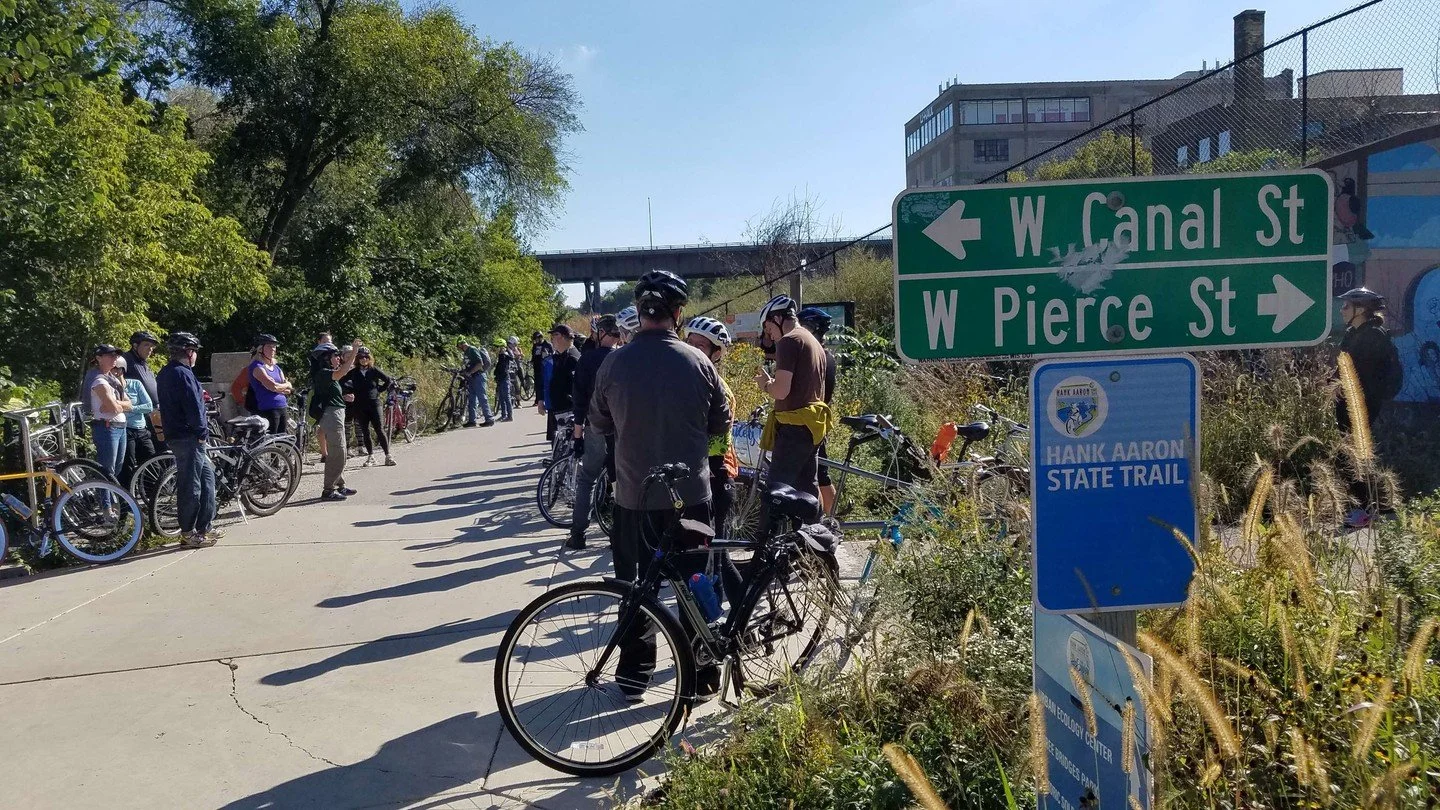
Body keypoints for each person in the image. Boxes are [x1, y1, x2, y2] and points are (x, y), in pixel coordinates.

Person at [589, 270, 731, 700]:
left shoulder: (613, 363)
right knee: (696, 582)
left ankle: (635, 674)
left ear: (639, 313)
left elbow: (598, 422)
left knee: (634, 587)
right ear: (678, 313)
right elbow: (720, 424)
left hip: (633, 496)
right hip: (691, 497)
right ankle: (702, 675)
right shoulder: (699, 361)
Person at [683, 316, 747, 607]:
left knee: (717, 559)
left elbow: (715, 444)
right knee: (712, 558)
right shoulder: (693, 379)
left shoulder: (718, 388)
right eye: (690, 344)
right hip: (701, 479)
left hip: (718, 477)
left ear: (716, 353)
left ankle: (735, 617)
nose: (694, 350)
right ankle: (732, 617)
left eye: (701, 346)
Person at [1335, 287, 1403, 528]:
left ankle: (1362, 509)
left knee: (1354, 455)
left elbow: (1361, 375)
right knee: (1354, 454)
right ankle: (1379, 505)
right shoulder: (1354, 333)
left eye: (1346, 306)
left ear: (1360, 309)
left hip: (1361, 406)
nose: (1342, 310)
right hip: (1349, 404)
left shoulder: (1372, 336)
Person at [754, 295, 829, 500]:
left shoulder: (789, 341)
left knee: (776, 490)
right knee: (806, 489)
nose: (769, 335)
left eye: (768, 328)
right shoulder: (811, 340)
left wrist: (766, 385)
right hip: (812, 426)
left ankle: (765, 533)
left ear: (777, 318)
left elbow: (781, 391)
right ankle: (813, 530)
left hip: (793, 427)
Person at [566, 314, 625, 549]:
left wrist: (577, 435)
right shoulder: (624, 358)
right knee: (620, 482)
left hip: (594, 427)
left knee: (587, 479)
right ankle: (617, 534)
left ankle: (578, 534)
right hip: (621, 429)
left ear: (600, 334)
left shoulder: (587, 360)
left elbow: (579, 401)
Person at [156, 332, 219, 547]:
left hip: (183, 435)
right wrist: (201, 433)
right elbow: (192, 406)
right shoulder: (182, 374)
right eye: (195, 351)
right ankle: (188, 531)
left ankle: (203, 528)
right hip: (188, 436)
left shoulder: (168, 372)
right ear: (188, 352)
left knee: (207, 480)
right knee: (191, 485)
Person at [798, 306, 838, 513]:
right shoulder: (825, 355)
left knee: (821, 474)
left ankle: (829, 521)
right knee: (820, 473)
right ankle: (828, 520)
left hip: (814, 422)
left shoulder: (819, 357)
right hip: (817, 420)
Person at [312, 339, 362, 500]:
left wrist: (342, 396)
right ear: (326, 358)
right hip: (332, 416)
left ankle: (340, 485)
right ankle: (328, 490)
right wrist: (354, 351)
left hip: (336, 413)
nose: (339, 358)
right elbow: (342, 372)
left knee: (339, 451)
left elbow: (329, 394)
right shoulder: (323, 373)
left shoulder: (326, 374)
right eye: (335, 355)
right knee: (338, 452)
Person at [85, 345, 132, 488]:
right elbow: (114, 408)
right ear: (99, 358)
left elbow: (130, 405)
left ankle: (111, 503)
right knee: (106, 471)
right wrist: (117, 405)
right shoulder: (98, 380)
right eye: (110, 355)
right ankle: (107, 507)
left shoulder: (114, 379)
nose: (115, 359)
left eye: (116, 356)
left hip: (120, 427)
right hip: (106, 427)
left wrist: (116, 404)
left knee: (116, 469)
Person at [342, 347, 395, 467]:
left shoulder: (374, 370)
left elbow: (387, 380)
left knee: (379, 429)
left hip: (374, 403)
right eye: (361, 357)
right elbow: (342, 381)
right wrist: (350, 391)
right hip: (360, 405)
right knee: (365, 431)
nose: (364, 359)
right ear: (357, 359)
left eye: (366, 357)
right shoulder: (354, 372)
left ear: (369, 358)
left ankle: (388, 455)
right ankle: (371, 456)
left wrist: (379, 390)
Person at [112, 356, 154, 484]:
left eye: (115, 369)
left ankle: (152, 494)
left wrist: (129, 408)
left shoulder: (135, 384)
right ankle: (127, 498)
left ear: (122, 370)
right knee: (127, 465)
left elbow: (148, 406)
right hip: (126, 429)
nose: (112, 372)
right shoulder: (109, 387)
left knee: (152, 461)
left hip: (141, 429)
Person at [122, 330, 163, 455]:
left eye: (152, 347)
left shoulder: (143, 363)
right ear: (135, 345)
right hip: (137, 417)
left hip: (154, 413)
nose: (150, 349)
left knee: (158, 451)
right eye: (146, 345)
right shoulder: (126, 361)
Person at [539, 324, 581, 443]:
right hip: (557, 408)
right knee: (557, 444)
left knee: (565, 444)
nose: (552, 339)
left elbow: (578, 386)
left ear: (562, 337)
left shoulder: (572, 357)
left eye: (554, 335)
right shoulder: (559, 356)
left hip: (567, 410)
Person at [246, 334, 293, 434]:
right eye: (269, 346)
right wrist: (284, 385)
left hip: (282, 407)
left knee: (282, 440)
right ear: (260, 349)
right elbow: (273, 386)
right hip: (268, 409)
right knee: (271, 442)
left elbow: (289, 390)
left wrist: (280, 386)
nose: (273, 349)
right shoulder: (257, 367)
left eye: (274, 347)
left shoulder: (276, 368)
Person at [457, 339, 495, 428]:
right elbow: (468, 364)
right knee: (472, 399)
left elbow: (480, 363)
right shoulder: (466, 352)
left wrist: (470, 372)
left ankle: (489, 419)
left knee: (482, 398)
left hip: (478, 377)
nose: (459, 349)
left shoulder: (472, 350)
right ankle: (472, 420)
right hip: (472, 378)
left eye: (459, 346)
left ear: (462, 345)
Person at [311, 331, 334, 460]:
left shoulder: (334, 355)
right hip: (321, 394)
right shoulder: (316, 357)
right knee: (323, 424)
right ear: (319, 342)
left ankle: (329, 452)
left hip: (333, 393)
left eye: (329, 341)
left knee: (329, 426)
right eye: (325, 341)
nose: (328, 344)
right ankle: (325, 453)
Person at [529, 331, 552, 404]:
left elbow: (552, 355)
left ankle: (547, 398)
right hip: (537, 368)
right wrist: (531, 361)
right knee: (538, 384)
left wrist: (546, 354)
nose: (536, 340)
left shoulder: (547, 345)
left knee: (545, 383)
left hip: (545, 367)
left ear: (540, 337)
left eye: (537, 339)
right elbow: (533, 355)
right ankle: (538, 400)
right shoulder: (535, 346)